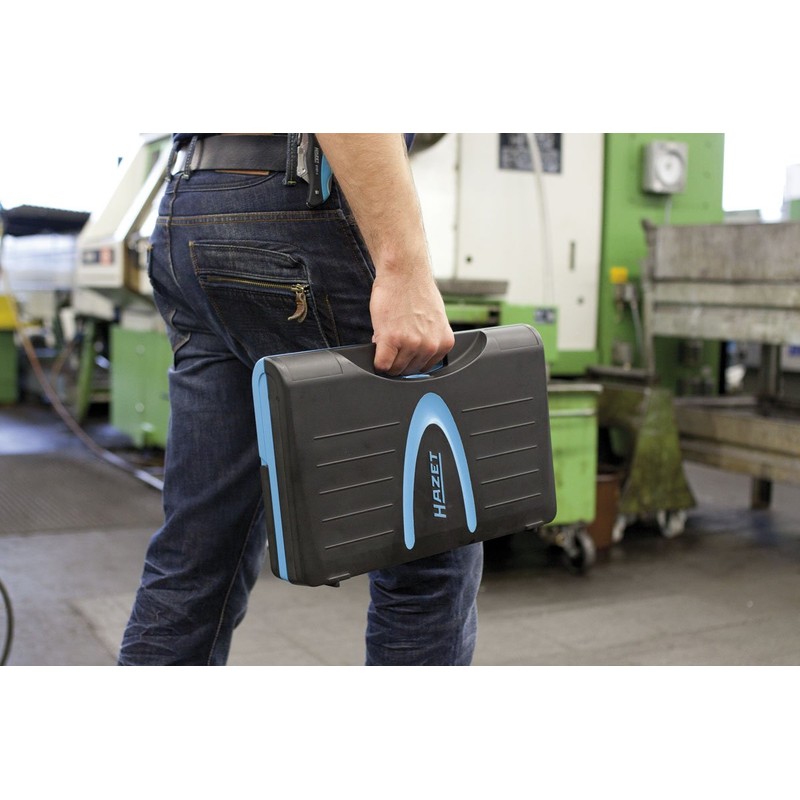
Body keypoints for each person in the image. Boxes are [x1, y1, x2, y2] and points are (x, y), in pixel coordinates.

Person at [118, 133, 485, 666]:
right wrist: (404, 269)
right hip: (293, 202)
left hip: (190, 200)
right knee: (429, 548)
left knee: (197, 551)